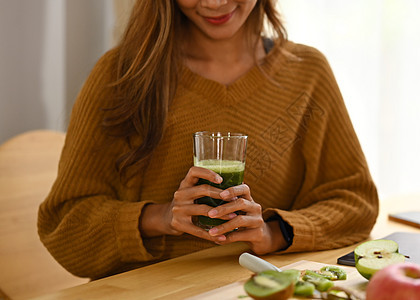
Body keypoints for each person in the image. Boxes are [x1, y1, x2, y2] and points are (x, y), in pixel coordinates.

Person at [38, 0, 379, 280]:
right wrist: (162, 217)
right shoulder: (122, 75)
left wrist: (272, 233)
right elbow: (64, 226)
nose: (215, 3)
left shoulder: (308, 73)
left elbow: (355, 202)